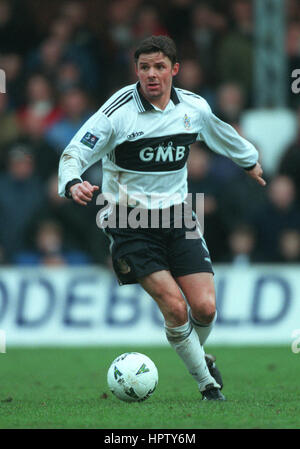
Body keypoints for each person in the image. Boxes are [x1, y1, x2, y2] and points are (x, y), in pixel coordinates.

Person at [58, 35, 266, 401]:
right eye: (144, 67)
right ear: (136, 70)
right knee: (174, 306)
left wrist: (249, 160)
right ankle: (208, 385)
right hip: (129, 222)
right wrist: (72, 182)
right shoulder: (117, 112)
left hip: (178, 218)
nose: (151, 74)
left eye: (158, 67)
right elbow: (76, 150)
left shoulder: (193, 108)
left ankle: (199, 356)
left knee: (205, 307)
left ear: (174, 69)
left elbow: (220, 133)